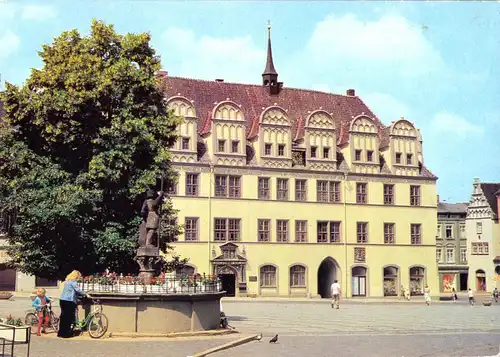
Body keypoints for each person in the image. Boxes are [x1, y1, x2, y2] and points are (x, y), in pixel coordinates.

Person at [57, 270, 87, 338]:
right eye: (79, 277)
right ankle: (66, 334)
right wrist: (85, 294)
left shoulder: (67, 282)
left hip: (62, 300)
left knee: (63, 317)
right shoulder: (73, 282)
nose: (79, 278)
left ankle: (60, 332)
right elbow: (78, 290)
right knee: (68, 318)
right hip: (69, 301)